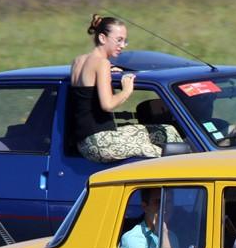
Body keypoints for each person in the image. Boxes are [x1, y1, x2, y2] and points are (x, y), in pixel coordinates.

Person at [71, 14, 166, 163]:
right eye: (119, 40)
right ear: (102, 38)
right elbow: (107, 105)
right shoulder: (102, 63)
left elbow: (87, 91)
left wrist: (108, 71)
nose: (122, 46)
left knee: (166, 131)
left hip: (84, 141)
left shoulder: (79, 61)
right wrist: (127, 90)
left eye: (125, 41)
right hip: (100, 142)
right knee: (165, 153)